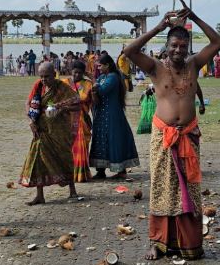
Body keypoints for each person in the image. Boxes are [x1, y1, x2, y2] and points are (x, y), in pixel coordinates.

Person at [123, 2, 220, 260]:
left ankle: (189, 242)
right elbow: (129, 51)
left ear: (188, 48)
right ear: (167, 48)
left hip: (188, 135)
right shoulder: (156, 68)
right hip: (163, 136)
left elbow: (217, 42)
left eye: (182, 46)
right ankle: (158, 242)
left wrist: (196, 16)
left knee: (188, 188)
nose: (178, 50)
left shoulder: (193, 64)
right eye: (173, 46)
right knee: (161, 188)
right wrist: (159, 27)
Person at [20, 63, 81, 203]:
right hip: (41, 130)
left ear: (54, 74)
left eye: (46, 76)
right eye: (41, 76)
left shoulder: (62, 87)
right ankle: (40, 195)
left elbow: (76, 102)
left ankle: (72, 191)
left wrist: (60, 108)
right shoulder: (38, 86)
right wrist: (30, 120)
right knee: (38, 159)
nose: (43, 79)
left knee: (64, 158)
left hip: (59, 131)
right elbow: (28, 103)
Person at [89, 55, 140, 179]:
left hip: (112, 114)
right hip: (101, 114)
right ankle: (100, 170)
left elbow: (102, 90)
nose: (98, 68)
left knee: (114, 139)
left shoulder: (113, 77)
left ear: (107, 65)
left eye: (100, 65)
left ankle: (121, 170)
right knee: (100, 140)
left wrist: (93, 84)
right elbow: (95, 92)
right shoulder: (102, 77)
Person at [63, 60, 94, 184]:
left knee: (83, 147)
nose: (77, 76)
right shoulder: (64, 83)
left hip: (83, 119)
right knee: (68, 148)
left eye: (80, 73)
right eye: (75, 73)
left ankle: (81, 174)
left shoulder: (88, 84)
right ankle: (68, 173)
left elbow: (93, 100)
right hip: (66, 120)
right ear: (71, 72)